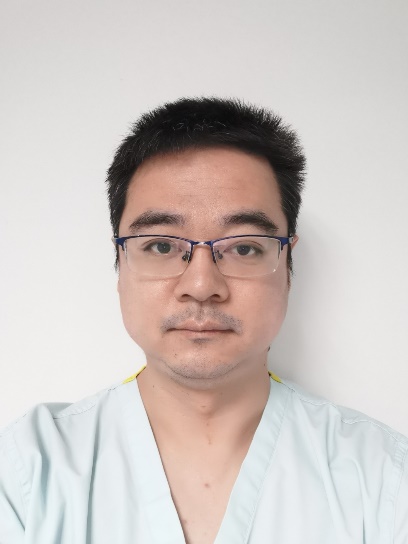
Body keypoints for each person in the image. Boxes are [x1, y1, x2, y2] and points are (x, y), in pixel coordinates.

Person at [0, 97, 406, 544]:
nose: (200, 284)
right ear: (119, 265)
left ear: (288, 268)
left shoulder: (384, 479)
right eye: (160, 245)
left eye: (244, 247)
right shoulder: (26, 473)